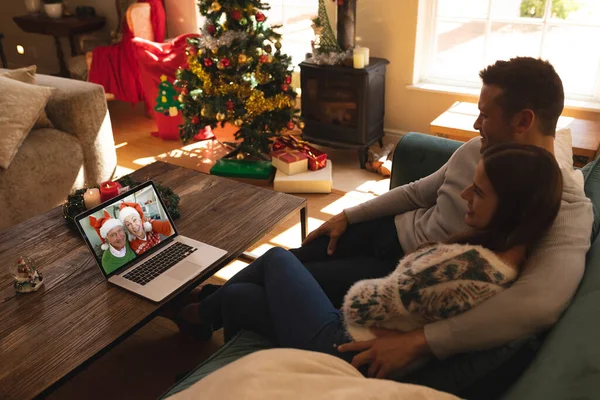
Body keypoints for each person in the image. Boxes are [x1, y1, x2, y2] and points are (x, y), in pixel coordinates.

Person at [286, 57, 592, 366]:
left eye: (484, 115)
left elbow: (539, 303)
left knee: (284, 274)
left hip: (402, 271)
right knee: (293, 256)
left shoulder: (564, 205)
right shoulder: (478, 148)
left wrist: (422, 341)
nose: (476, 125)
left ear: (523, 122)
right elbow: (417, 191)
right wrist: (348, 216)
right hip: (389, 229)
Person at [177, 143, 563, 380]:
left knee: (278, 257)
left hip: (344, 345)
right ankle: (210, 323)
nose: (464, 195)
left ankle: (197, 313)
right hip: (357, 338)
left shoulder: (467, 269)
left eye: (477, 192)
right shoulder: (500, 260)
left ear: (511, 210)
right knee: (241, 296)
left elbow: (362, 302)